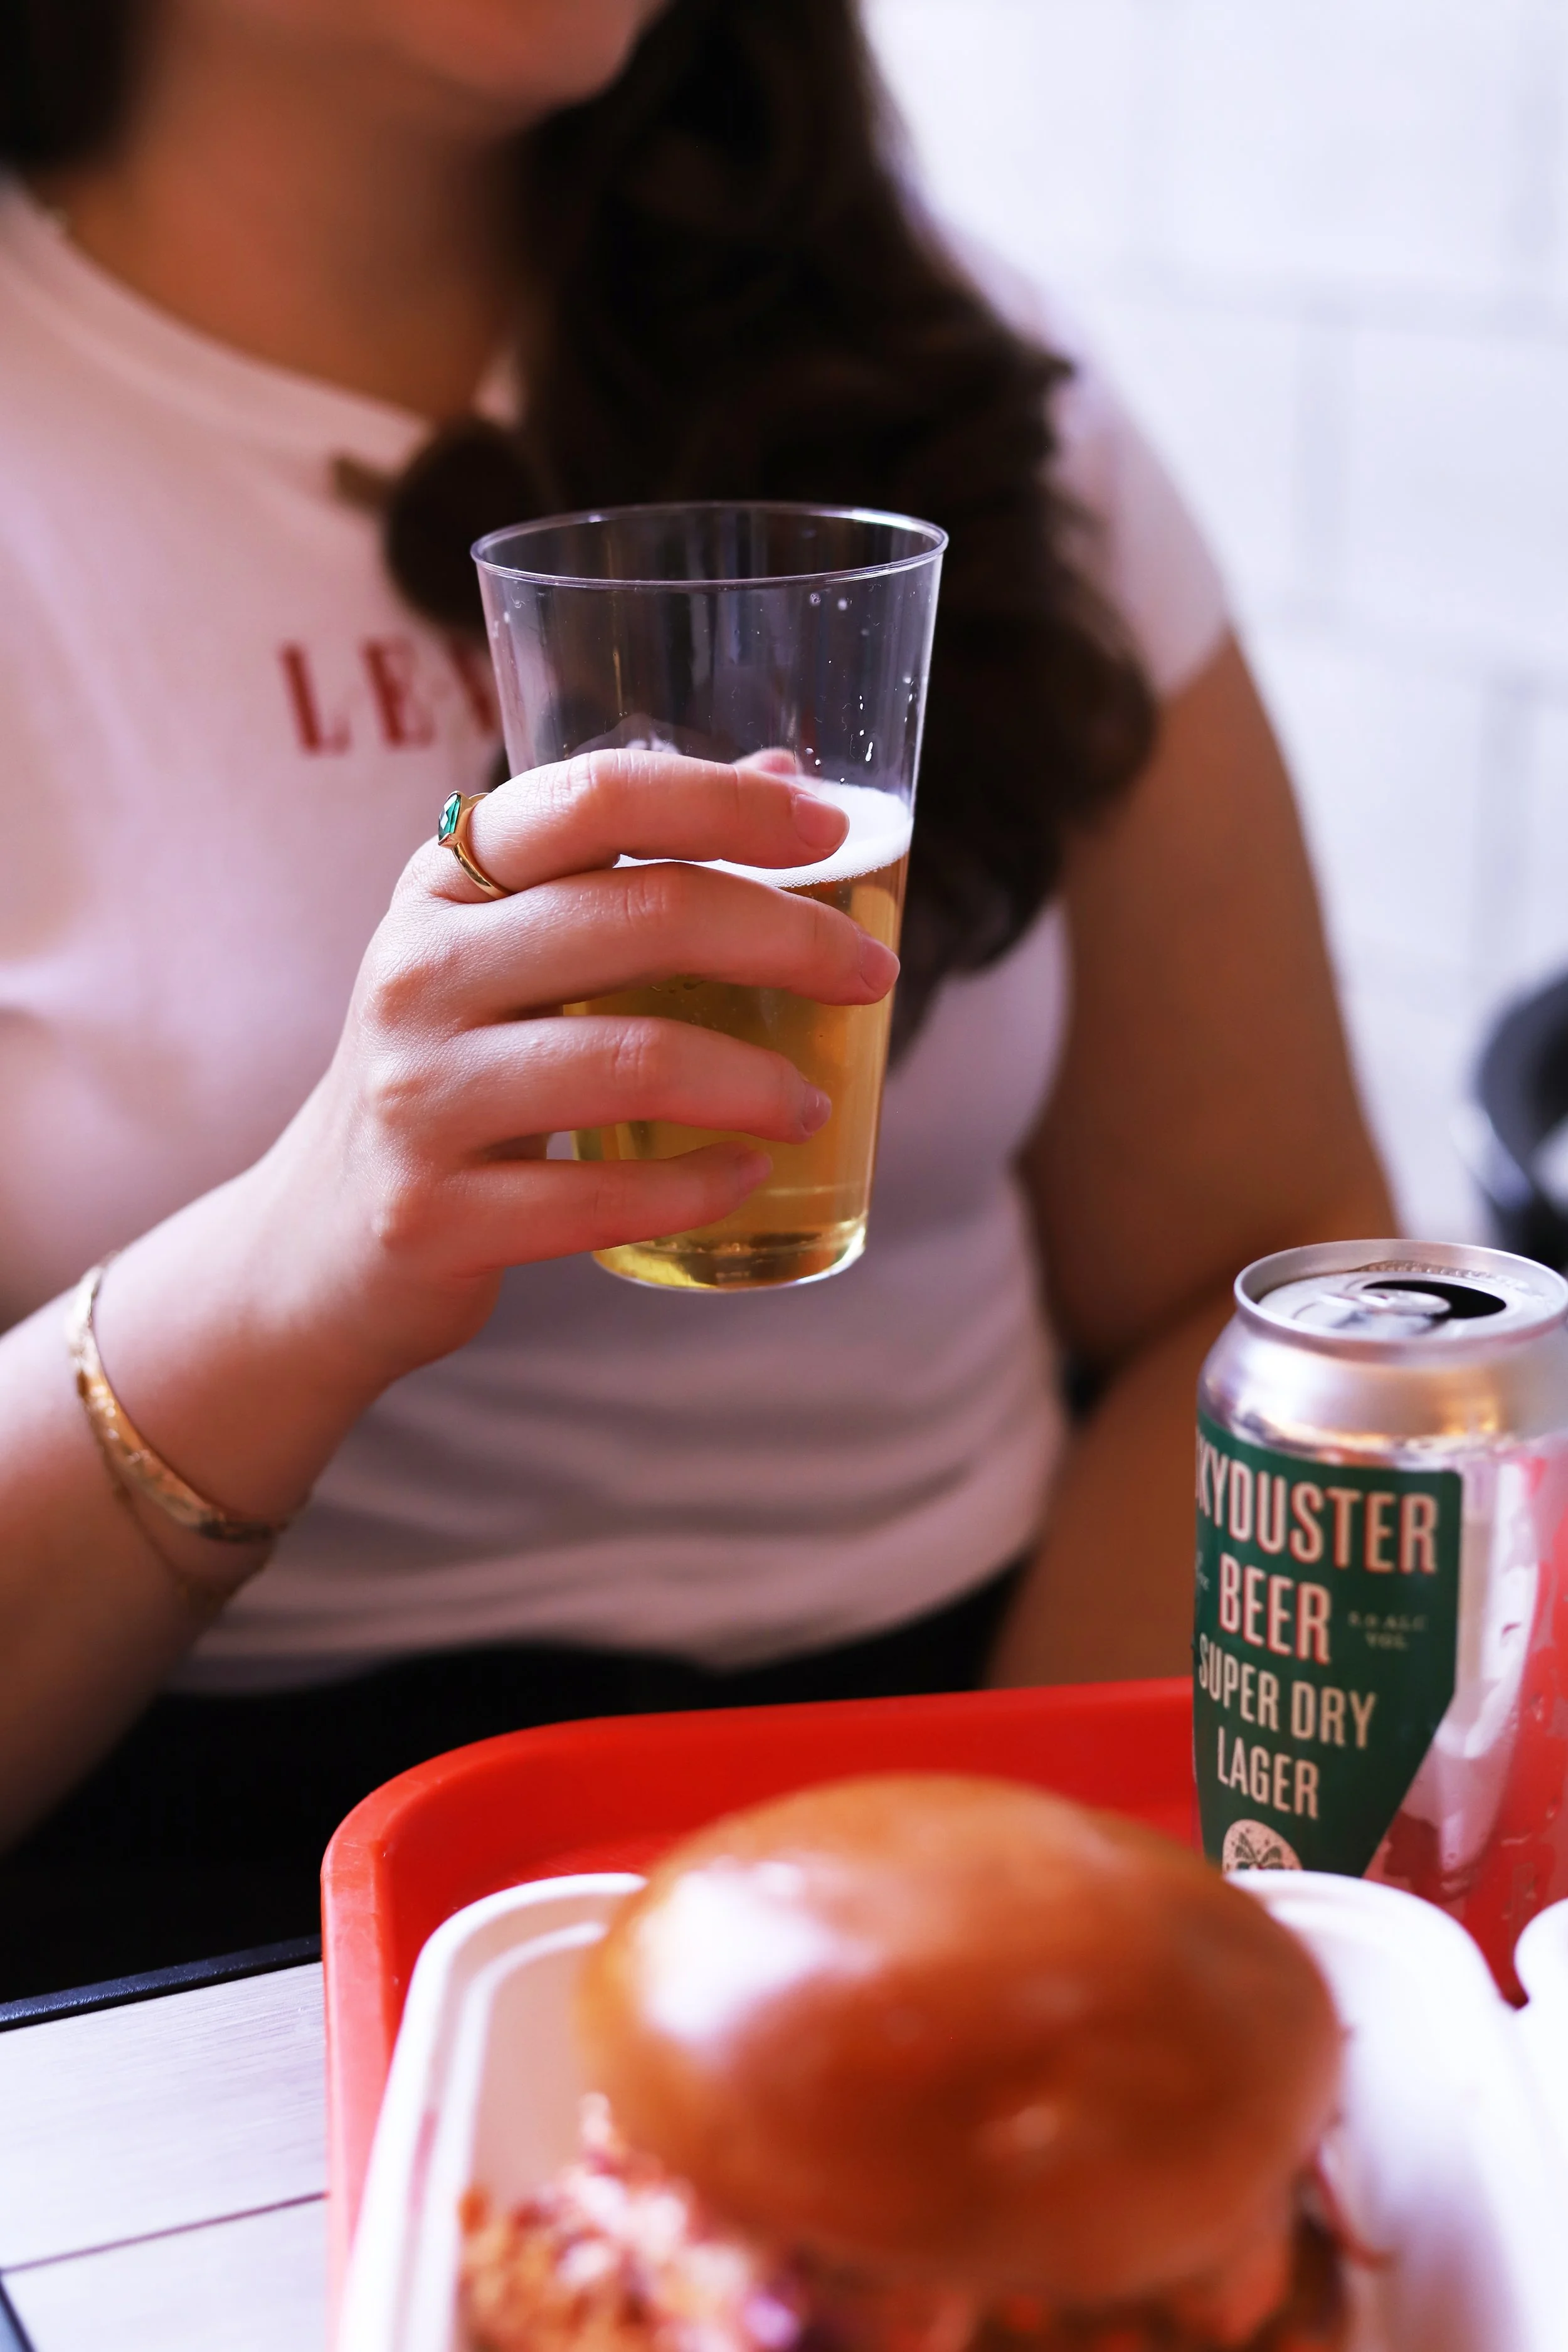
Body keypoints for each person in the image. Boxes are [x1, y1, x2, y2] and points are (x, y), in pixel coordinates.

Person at [0, 0, 1392, 1992]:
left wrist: (1000, 1861)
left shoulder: (957, 383)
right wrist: (289, 1270)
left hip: (983, 1732)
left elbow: (1254, 1274)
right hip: (196, 1909)